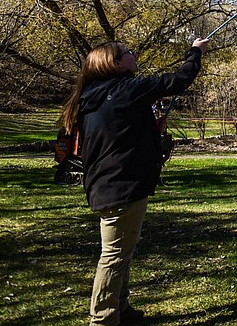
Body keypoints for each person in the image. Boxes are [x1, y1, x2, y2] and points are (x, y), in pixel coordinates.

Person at [59, 38, 210, 325]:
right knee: (114, 255)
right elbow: (178, 80)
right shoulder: (126, 89)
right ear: (114, 63)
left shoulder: (92, 96)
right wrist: (195, 52)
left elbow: (117, 135)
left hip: (107, 184)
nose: (133, 55)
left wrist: (151, 129)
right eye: (128, 53)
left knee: (122, 251)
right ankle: (103, 319)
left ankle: (121, 309)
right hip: (122, 186)